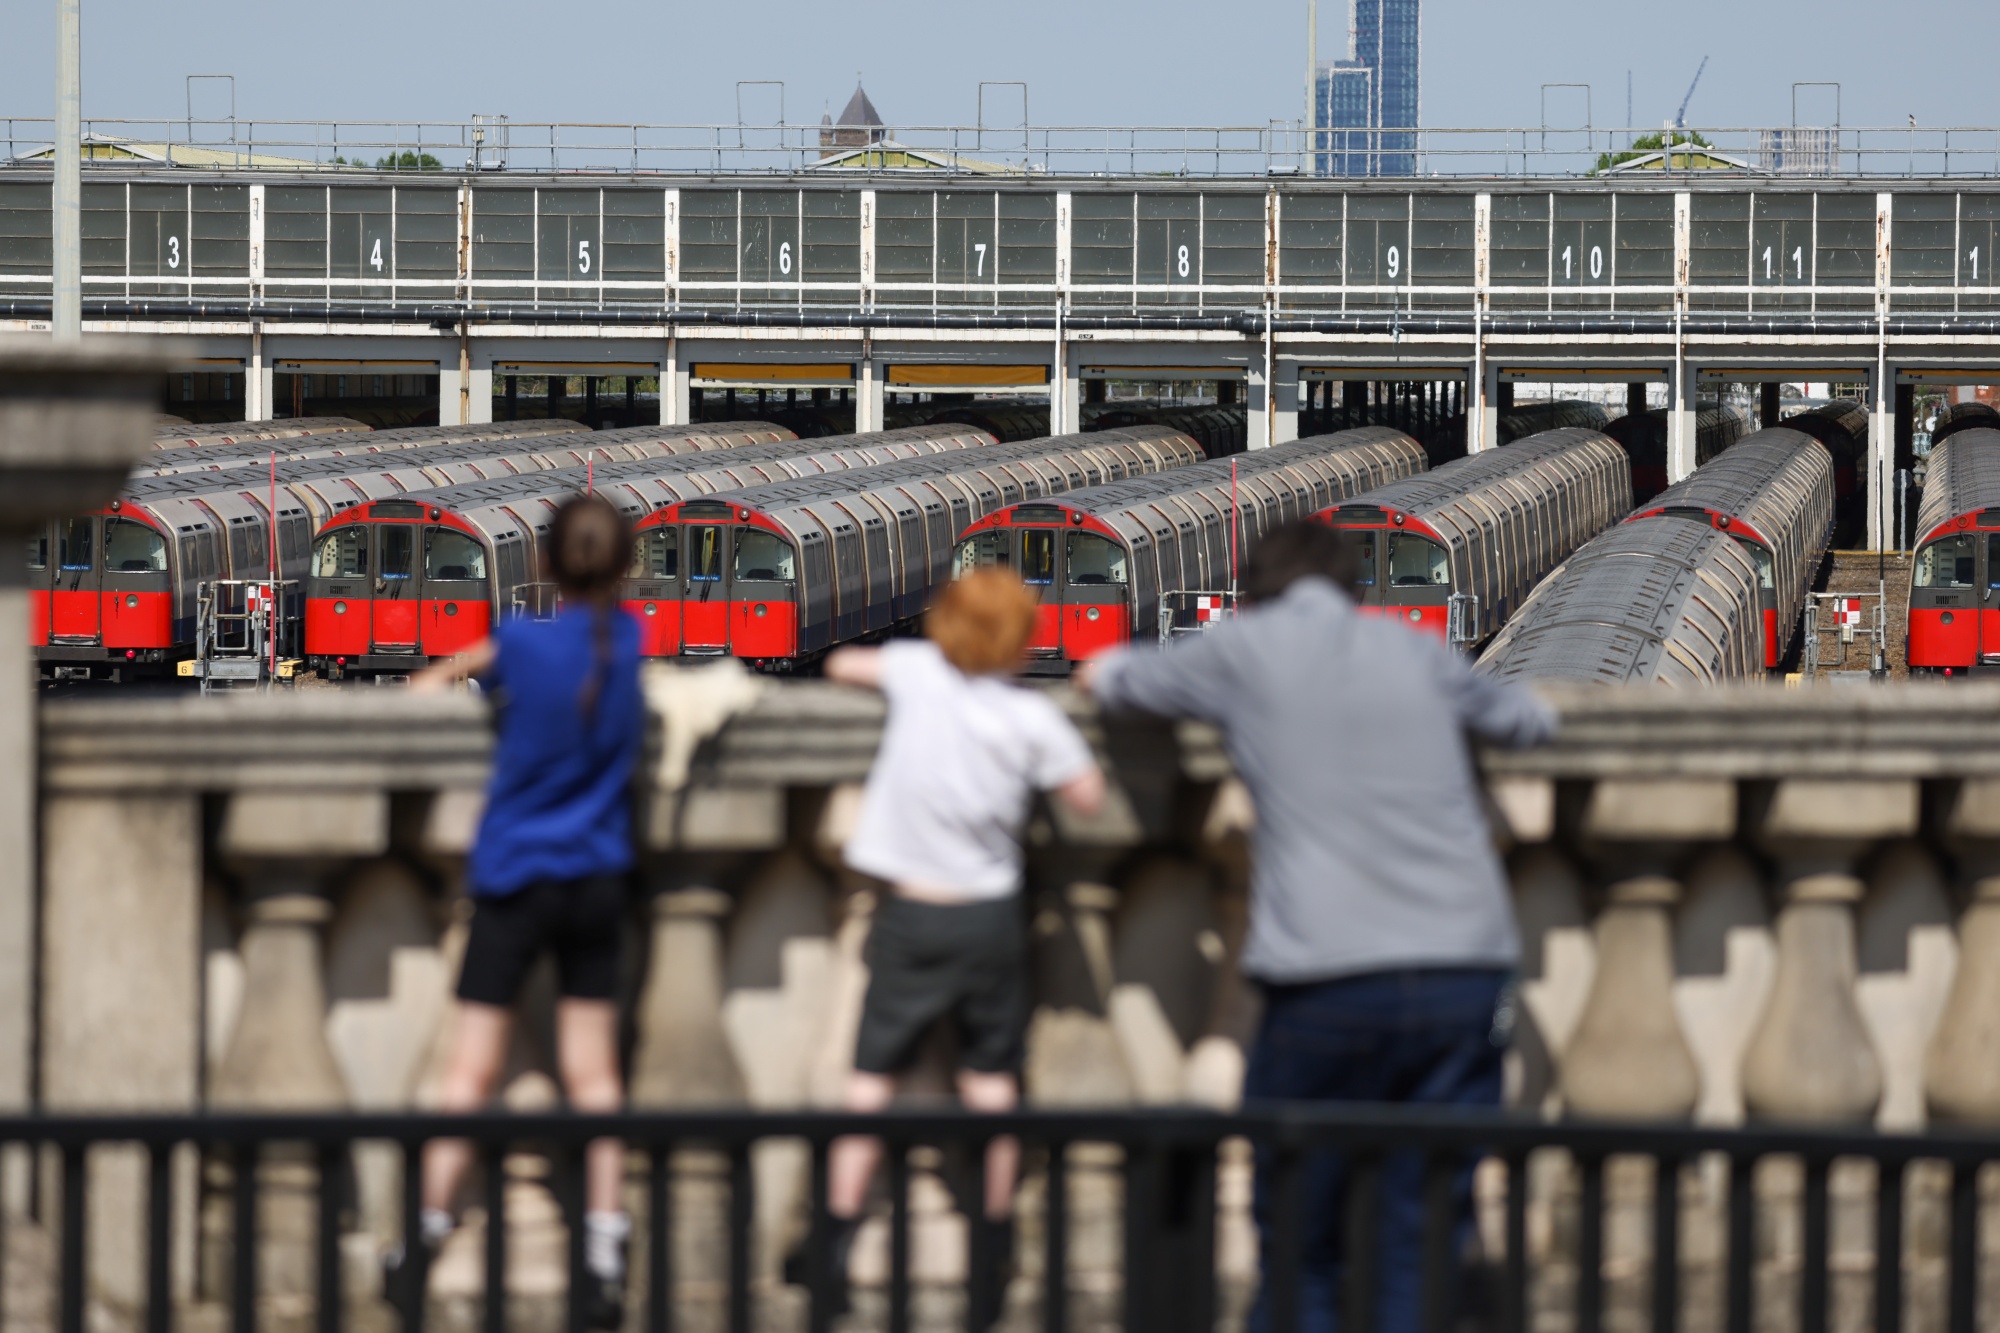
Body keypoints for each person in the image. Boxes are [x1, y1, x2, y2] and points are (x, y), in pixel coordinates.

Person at [1076, 520, 1557, 1333]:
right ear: (1351, 590)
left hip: (1326, 975)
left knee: (1303, 1231)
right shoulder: (1414, 651)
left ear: (1259, 591)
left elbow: (1111, 678)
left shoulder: (1242, 647)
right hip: (1465, 969)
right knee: (1426, 1226)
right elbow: (1530, 723)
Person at [797, 567, 1106, 1317]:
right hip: (990, 915)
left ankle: (833, 1234)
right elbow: (1088, 796)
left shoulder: (917, 672)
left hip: (909, 912)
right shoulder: (1030, 716)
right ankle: (992, 1242)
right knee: (992, 1077)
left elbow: (839, 663)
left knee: (871, 1073)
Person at [399, 494, 644, 1332]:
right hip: (599, 877)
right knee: (596, 1072)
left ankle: (426, 1232)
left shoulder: (518, 642)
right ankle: (606, 1245)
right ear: (623, 570)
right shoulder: (631, 642)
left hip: (511, 876)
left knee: (470, 1070)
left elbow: (427, 685)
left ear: (543, 566)